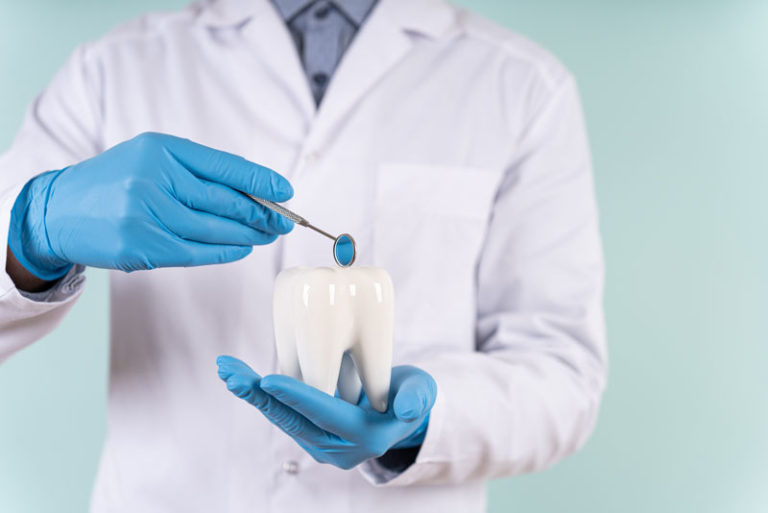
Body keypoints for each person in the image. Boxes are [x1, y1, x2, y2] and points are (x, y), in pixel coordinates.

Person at [0, 0, 606, 511]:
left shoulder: (522, 85)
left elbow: (563, 376)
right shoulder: (115, 68)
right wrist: (31, 230)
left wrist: (423, 421)